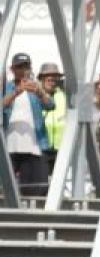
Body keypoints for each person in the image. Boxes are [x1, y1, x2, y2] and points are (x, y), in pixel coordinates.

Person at [3, 53, 56, 194]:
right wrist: (16, 92)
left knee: (36, 189)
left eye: (26, 66)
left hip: (34, 147)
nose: (23, 70)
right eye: (19, 67)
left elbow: (51, 105)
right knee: (7, 190)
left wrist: (40, 93)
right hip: (9, 147)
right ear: (12, 69)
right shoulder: (6, 87)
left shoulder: (36, 87)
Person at [38, 62, 66, 174]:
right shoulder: (36, 96)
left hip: (61, 148)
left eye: (55, 79)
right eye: (49, 79)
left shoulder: (63, 95)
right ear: (41, 79)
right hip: (42, 147)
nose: (52, 82)